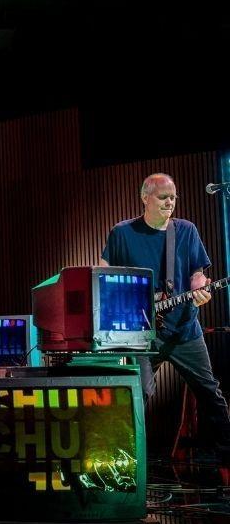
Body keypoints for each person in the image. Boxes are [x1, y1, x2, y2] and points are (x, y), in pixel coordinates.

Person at [101, 172, 230, 479]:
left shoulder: (185, 230)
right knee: (140, 394)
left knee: (210, 392)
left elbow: (198, 274)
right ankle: (127, 460)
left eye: (173, 197)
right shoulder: (122, 233)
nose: (170, 202)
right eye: (163, 197)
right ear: (145, 197)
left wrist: (201, 290)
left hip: (184, 328)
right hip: (143, 334)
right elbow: (103, 275)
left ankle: (228, 453)